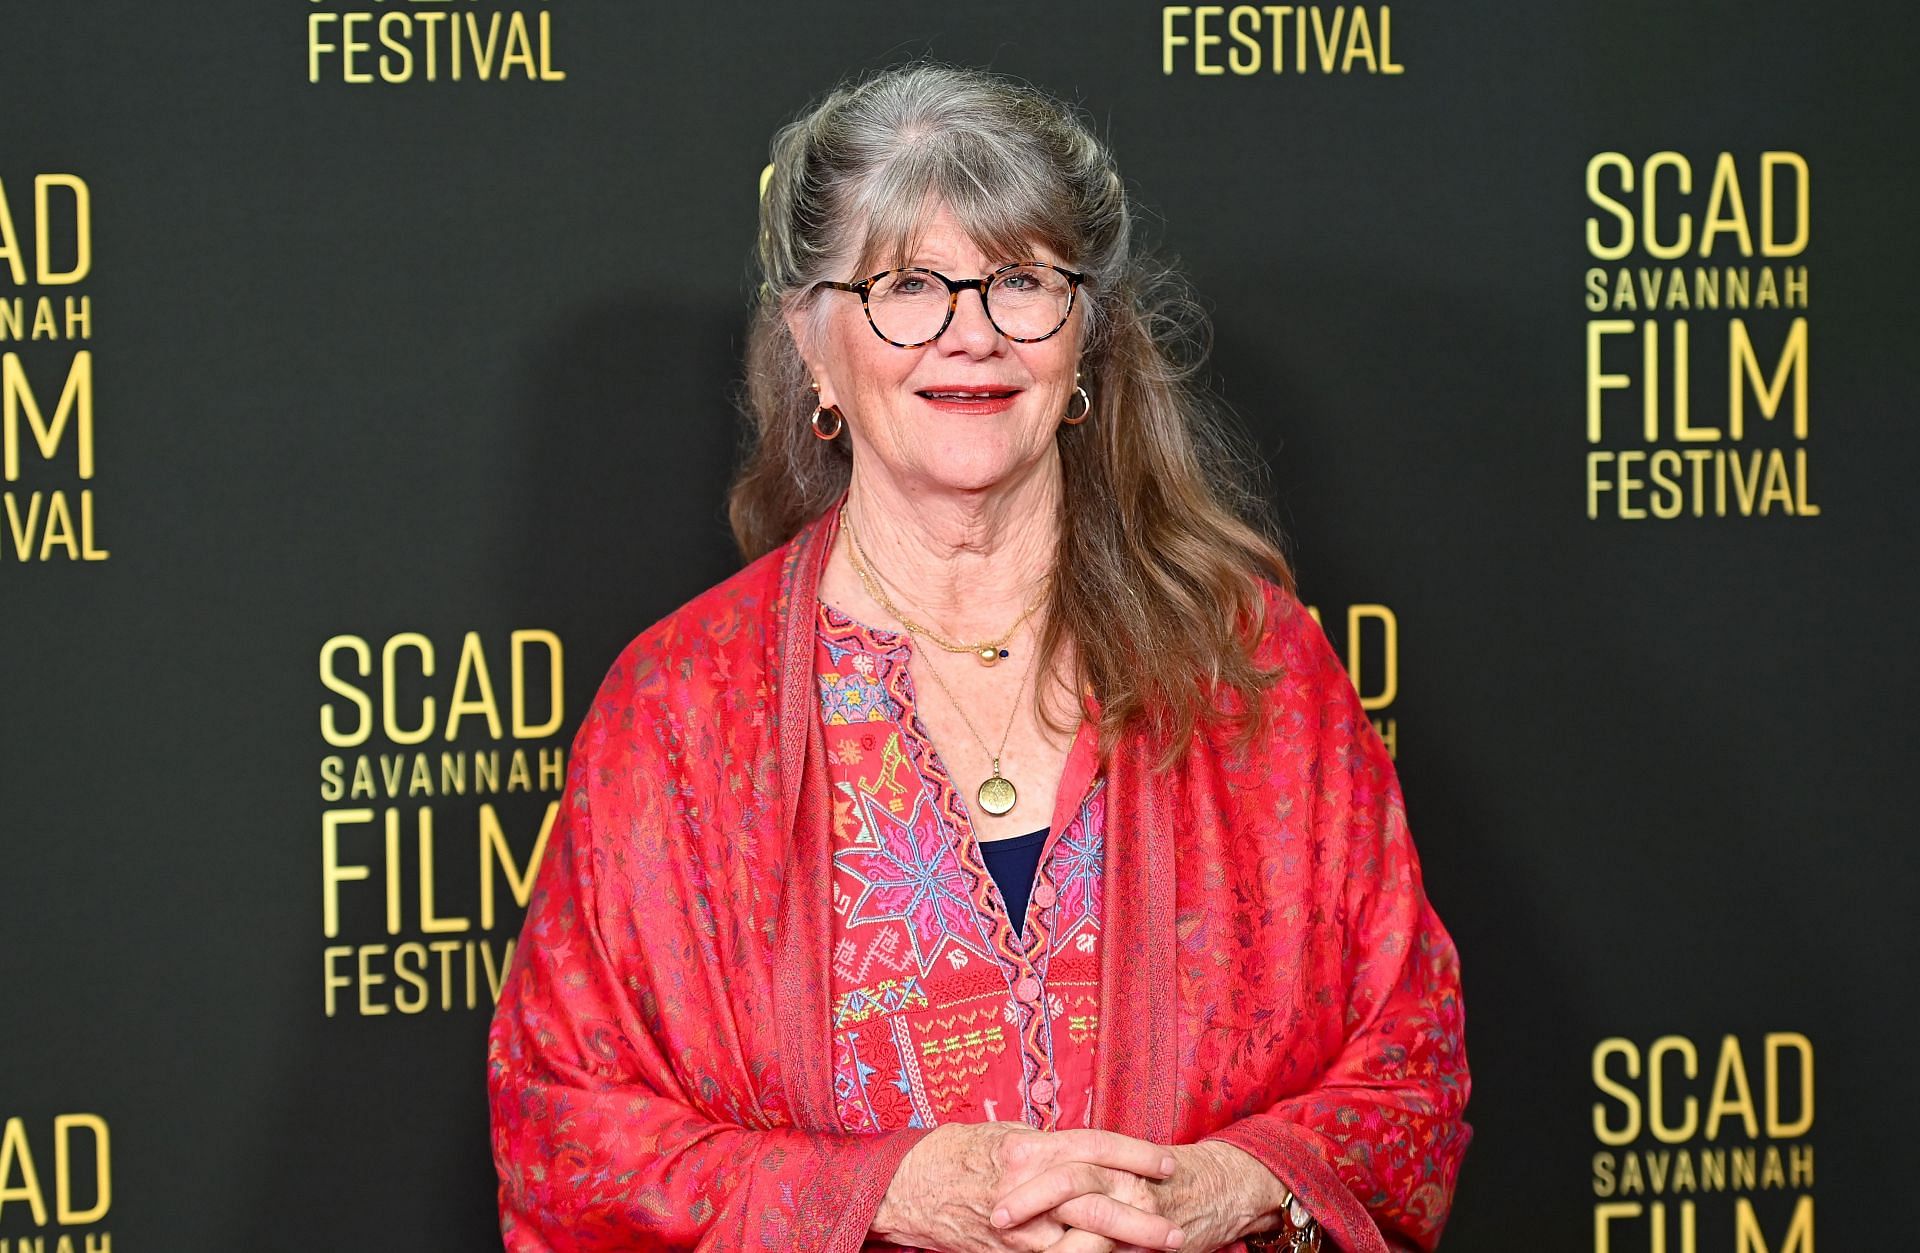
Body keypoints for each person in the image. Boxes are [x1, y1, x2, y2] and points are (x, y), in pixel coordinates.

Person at [487, 62, 1469, 1253]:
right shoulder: (679, 709)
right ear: (810, 335)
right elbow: (567, 1129)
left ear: (1086, 331)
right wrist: (879, 1193)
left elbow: (1408, 1065)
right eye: (906, 285)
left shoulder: (1253, 665)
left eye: (1020, 282)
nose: (973, 335)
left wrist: (1239, 1182)